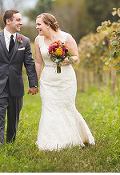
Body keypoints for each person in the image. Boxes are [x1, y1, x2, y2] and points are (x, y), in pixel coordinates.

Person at [33, 13, 95, 151]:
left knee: (66, 107)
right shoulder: (38, 40)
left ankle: (71, 138)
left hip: (66, 78)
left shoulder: (66, 37)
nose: (37, 27)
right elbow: (38, 62)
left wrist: (66, 60)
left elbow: (76, 57)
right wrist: (34, 82)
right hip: (48, 79)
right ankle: (50, 142)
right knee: (49, 107)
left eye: (39, 24)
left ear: (48, 24)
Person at [0, 9, 39, 147]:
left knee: (13, 118)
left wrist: (33, 84)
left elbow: (29, 63)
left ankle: (11, 143)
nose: (21, 22)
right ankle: (0, 146)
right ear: (8, 21)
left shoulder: (24, 41)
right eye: (18, 20)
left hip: (16, 85)